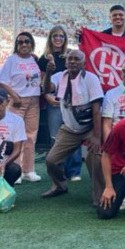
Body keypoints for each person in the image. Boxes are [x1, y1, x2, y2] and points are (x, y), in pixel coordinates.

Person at [41, 50, 104, 202]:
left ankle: (99, 195)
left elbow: (96, 109)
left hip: (90, 127)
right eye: (70, 59)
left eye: (76, 59)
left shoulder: (91, 78)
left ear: (84, 64)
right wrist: (48, 73)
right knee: (51, 160)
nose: (72, 62)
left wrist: (97, 136)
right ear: (66, 62)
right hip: (70, 128)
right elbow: (47, 89)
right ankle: (60, 185)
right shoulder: (60, 76)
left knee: (95, 158)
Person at [39, 25, 82, 182]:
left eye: (61, 36)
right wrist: (47, 97)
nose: (58, 39)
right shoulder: (44, 58)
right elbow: (42, 82)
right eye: (55, 36)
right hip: (55, 102)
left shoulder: (70, 54)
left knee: (74, 133)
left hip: (71, 101)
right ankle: (58, 169)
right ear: (50, 38)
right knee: (56, 136)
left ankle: (74, 171)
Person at [0, 31, 42, 182]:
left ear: (32, 44)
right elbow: (1, 81)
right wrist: (14, 95)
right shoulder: (12, 60)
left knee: (31, 136)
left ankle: (28, 170)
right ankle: (14, 170)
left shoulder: (34, 59)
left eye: (27, 41)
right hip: (17, 101)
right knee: (14, 136)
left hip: (34, 100)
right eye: (20, 42)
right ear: (16, 45)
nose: (24, 44)